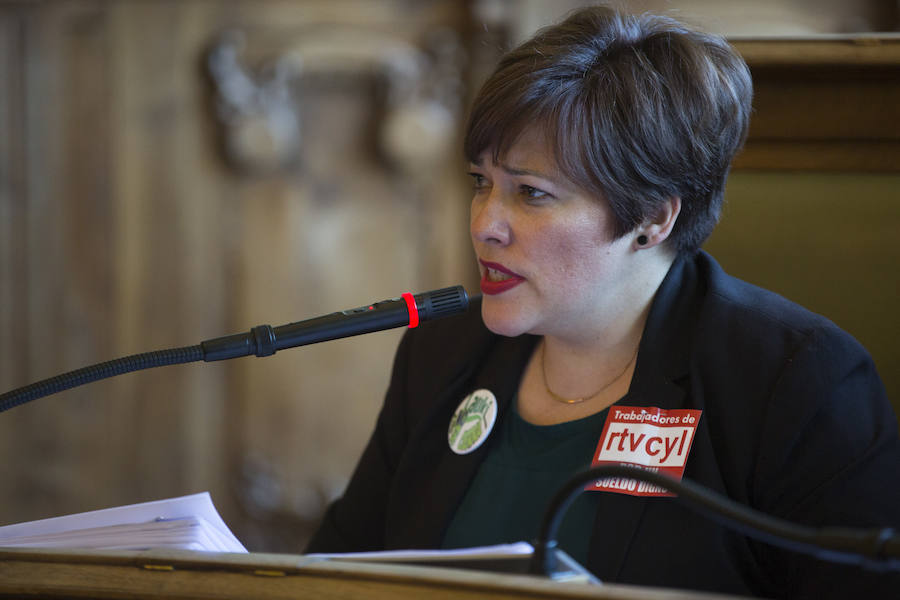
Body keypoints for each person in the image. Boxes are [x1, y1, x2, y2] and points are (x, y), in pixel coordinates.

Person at [306, 5, 900, 597]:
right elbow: (332, 573)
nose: (485, 224)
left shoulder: (796, 380)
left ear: (652, 216)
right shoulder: (440, 352)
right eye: (481, 182)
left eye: (531, 193)